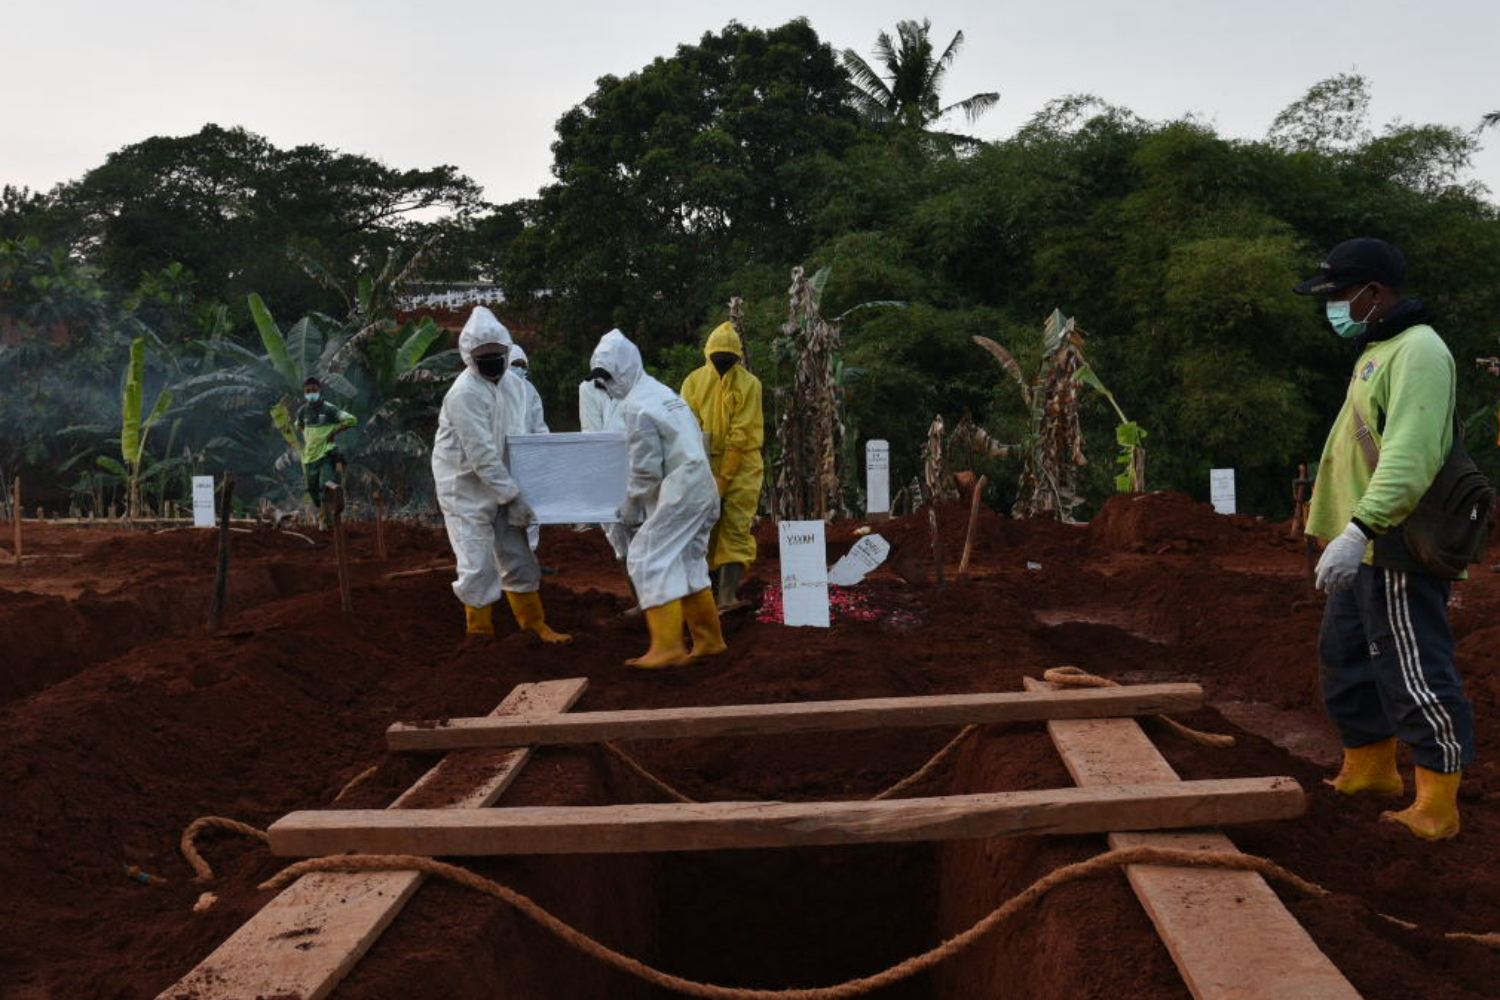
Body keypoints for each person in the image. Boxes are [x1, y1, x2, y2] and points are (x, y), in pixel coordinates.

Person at [1298, 237, 1474, 841]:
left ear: (1373, 293)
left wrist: (1363, 527)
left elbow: (1410, 452)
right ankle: (1370, 772)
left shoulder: (1419, 350)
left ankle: (1436, 805)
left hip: (1392, 538)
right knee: (1348, 659)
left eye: (1342, 296)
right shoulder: (1382, 346)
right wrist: (1341, 530)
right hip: (1363, 539)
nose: (1334, 308)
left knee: (1414, 666)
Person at [431, 306, 570, 643]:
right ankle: (479, 634)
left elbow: (527, 438)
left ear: (508, 352)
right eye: (483, 356)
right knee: (478, 564)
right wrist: (513, 496)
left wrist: (539, 485)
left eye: (498, 354)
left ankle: (534, 625)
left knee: (520, 557)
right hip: (465, 489)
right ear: (468, 357)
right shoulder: (464, 394)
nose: (492, 360)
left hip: (508, 485)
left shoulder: (516, 388)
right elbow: (481, 455)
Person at [589, 329, 725, 668]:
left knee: (645, 555)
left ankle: (667, 647)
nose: (607, 384)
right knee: (690, 561)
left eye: (608, 376)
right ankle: (710, 641)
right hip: (701, 488)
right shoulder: (663, 393)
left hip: (682, 491)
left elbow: (646, 469)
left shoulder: (636, 407)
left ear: (624, 369)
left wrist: (632, 502)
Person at [681, 321, 764, 607]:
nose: (722, 364)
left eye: (728, 358)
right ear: (708, 354)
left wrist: (725, 478)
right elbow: (685, 426)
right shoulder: (693, 382)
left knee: (736, 527)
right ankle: (709, 595)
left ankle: (727, 597)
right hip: (703, 463)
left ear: (737, 356)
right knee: (706, 529)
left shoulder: (749, 384)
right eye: (718, 358)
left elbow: (741, 434)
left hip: (744, 467)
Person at [579, 348, 633, 568]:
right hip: (604, 469)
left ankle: (658, 598)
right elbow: (591, 431)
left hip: (635, 467)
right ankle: (638, 596)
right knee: (618, 538)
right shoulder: (588, 389)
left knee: (644, 535)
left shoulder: (637, 388)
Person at [294, 377, 356, 519]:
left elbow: (351, 420)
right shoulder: (302, 411)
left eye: (314, 390)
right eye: (308, 391)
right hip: (310, 456)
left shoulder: (329, 409)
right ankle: (324, 510)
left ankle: (326, 520)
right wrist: (311, 439)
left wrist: (333, 432)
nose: (311, 393)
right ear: (304, 392)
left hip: (327, 453)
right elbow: (299, 426)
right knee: (312, 489)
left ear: (320, 390)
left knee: (325, 486)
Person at [507, 343, 548, 552]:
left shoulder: (530, 390)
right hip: (505, 460)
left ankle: (531, 554)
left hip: (529, 458)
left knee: (532, 507)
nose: (520, 368)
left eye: (523, 365)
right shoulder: (497, 390)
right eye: (516, 364)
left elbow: (539, 425)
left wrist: (545, 451)